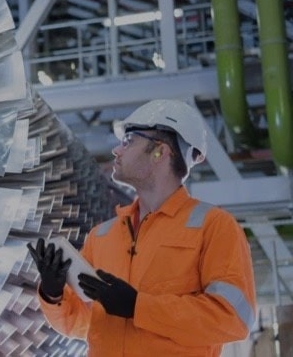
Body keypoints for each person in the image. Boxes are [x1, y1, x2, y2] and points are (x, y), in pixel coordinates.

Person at [26, 99, 257, 356]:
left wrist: (138, 307)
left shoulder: (213, 227)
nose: (116, 150)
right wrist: (53, 294)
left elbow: (232, 317)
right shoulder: (102, 236)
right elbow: (85, 325)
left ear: (160, 151)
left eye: (128, 141)